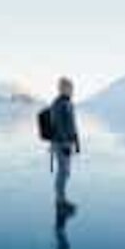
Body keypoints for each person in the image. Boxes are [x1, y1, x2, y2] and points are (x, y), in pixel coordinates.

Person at [49, 77, 80, 211]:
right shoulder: (59, 103)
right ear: (63, 88)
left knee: (65, 173)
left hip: (66, 143)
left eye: (72, 88)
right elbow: (59, 126)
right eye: (69, 88)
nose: (72, 90)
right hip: (61, 144)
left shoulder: (67, 103)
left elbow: (71, 124)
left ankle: (61, 200)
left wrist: (76, 141)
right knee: (63, 172)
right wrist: (65, 144)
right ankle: (60, 202)